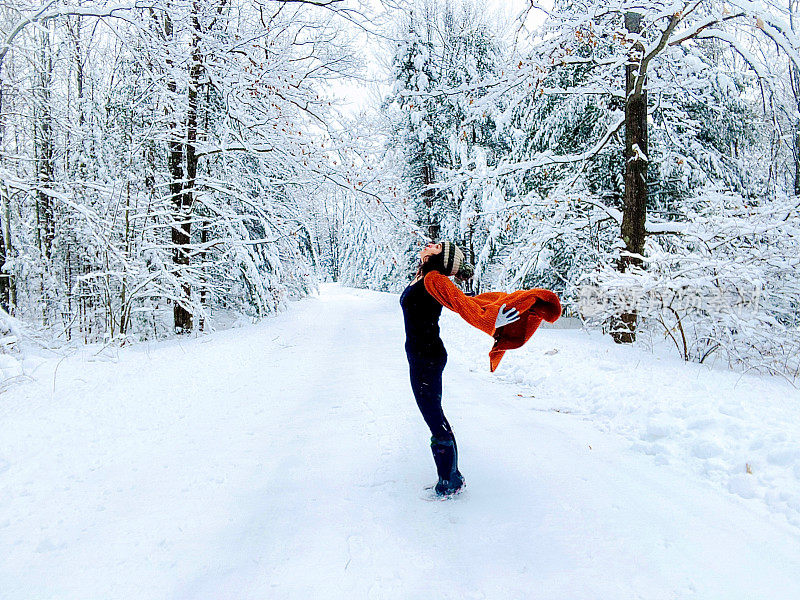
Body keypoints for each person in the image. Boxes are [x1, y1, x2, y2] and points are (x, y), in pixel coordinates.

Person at [399, 241, 522, 497]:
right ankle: (451, 477)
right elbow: (463, 301)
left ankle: (449, 483)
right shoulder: (424, 277)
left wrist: (491, 320)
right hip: (421, 355)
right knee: (435, 415)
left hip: (427, 357)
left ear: (441, 258)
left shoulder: (435, 278)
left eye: (437, 246)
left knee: (434, 419)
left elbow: (461, 305)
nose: (430, 245)